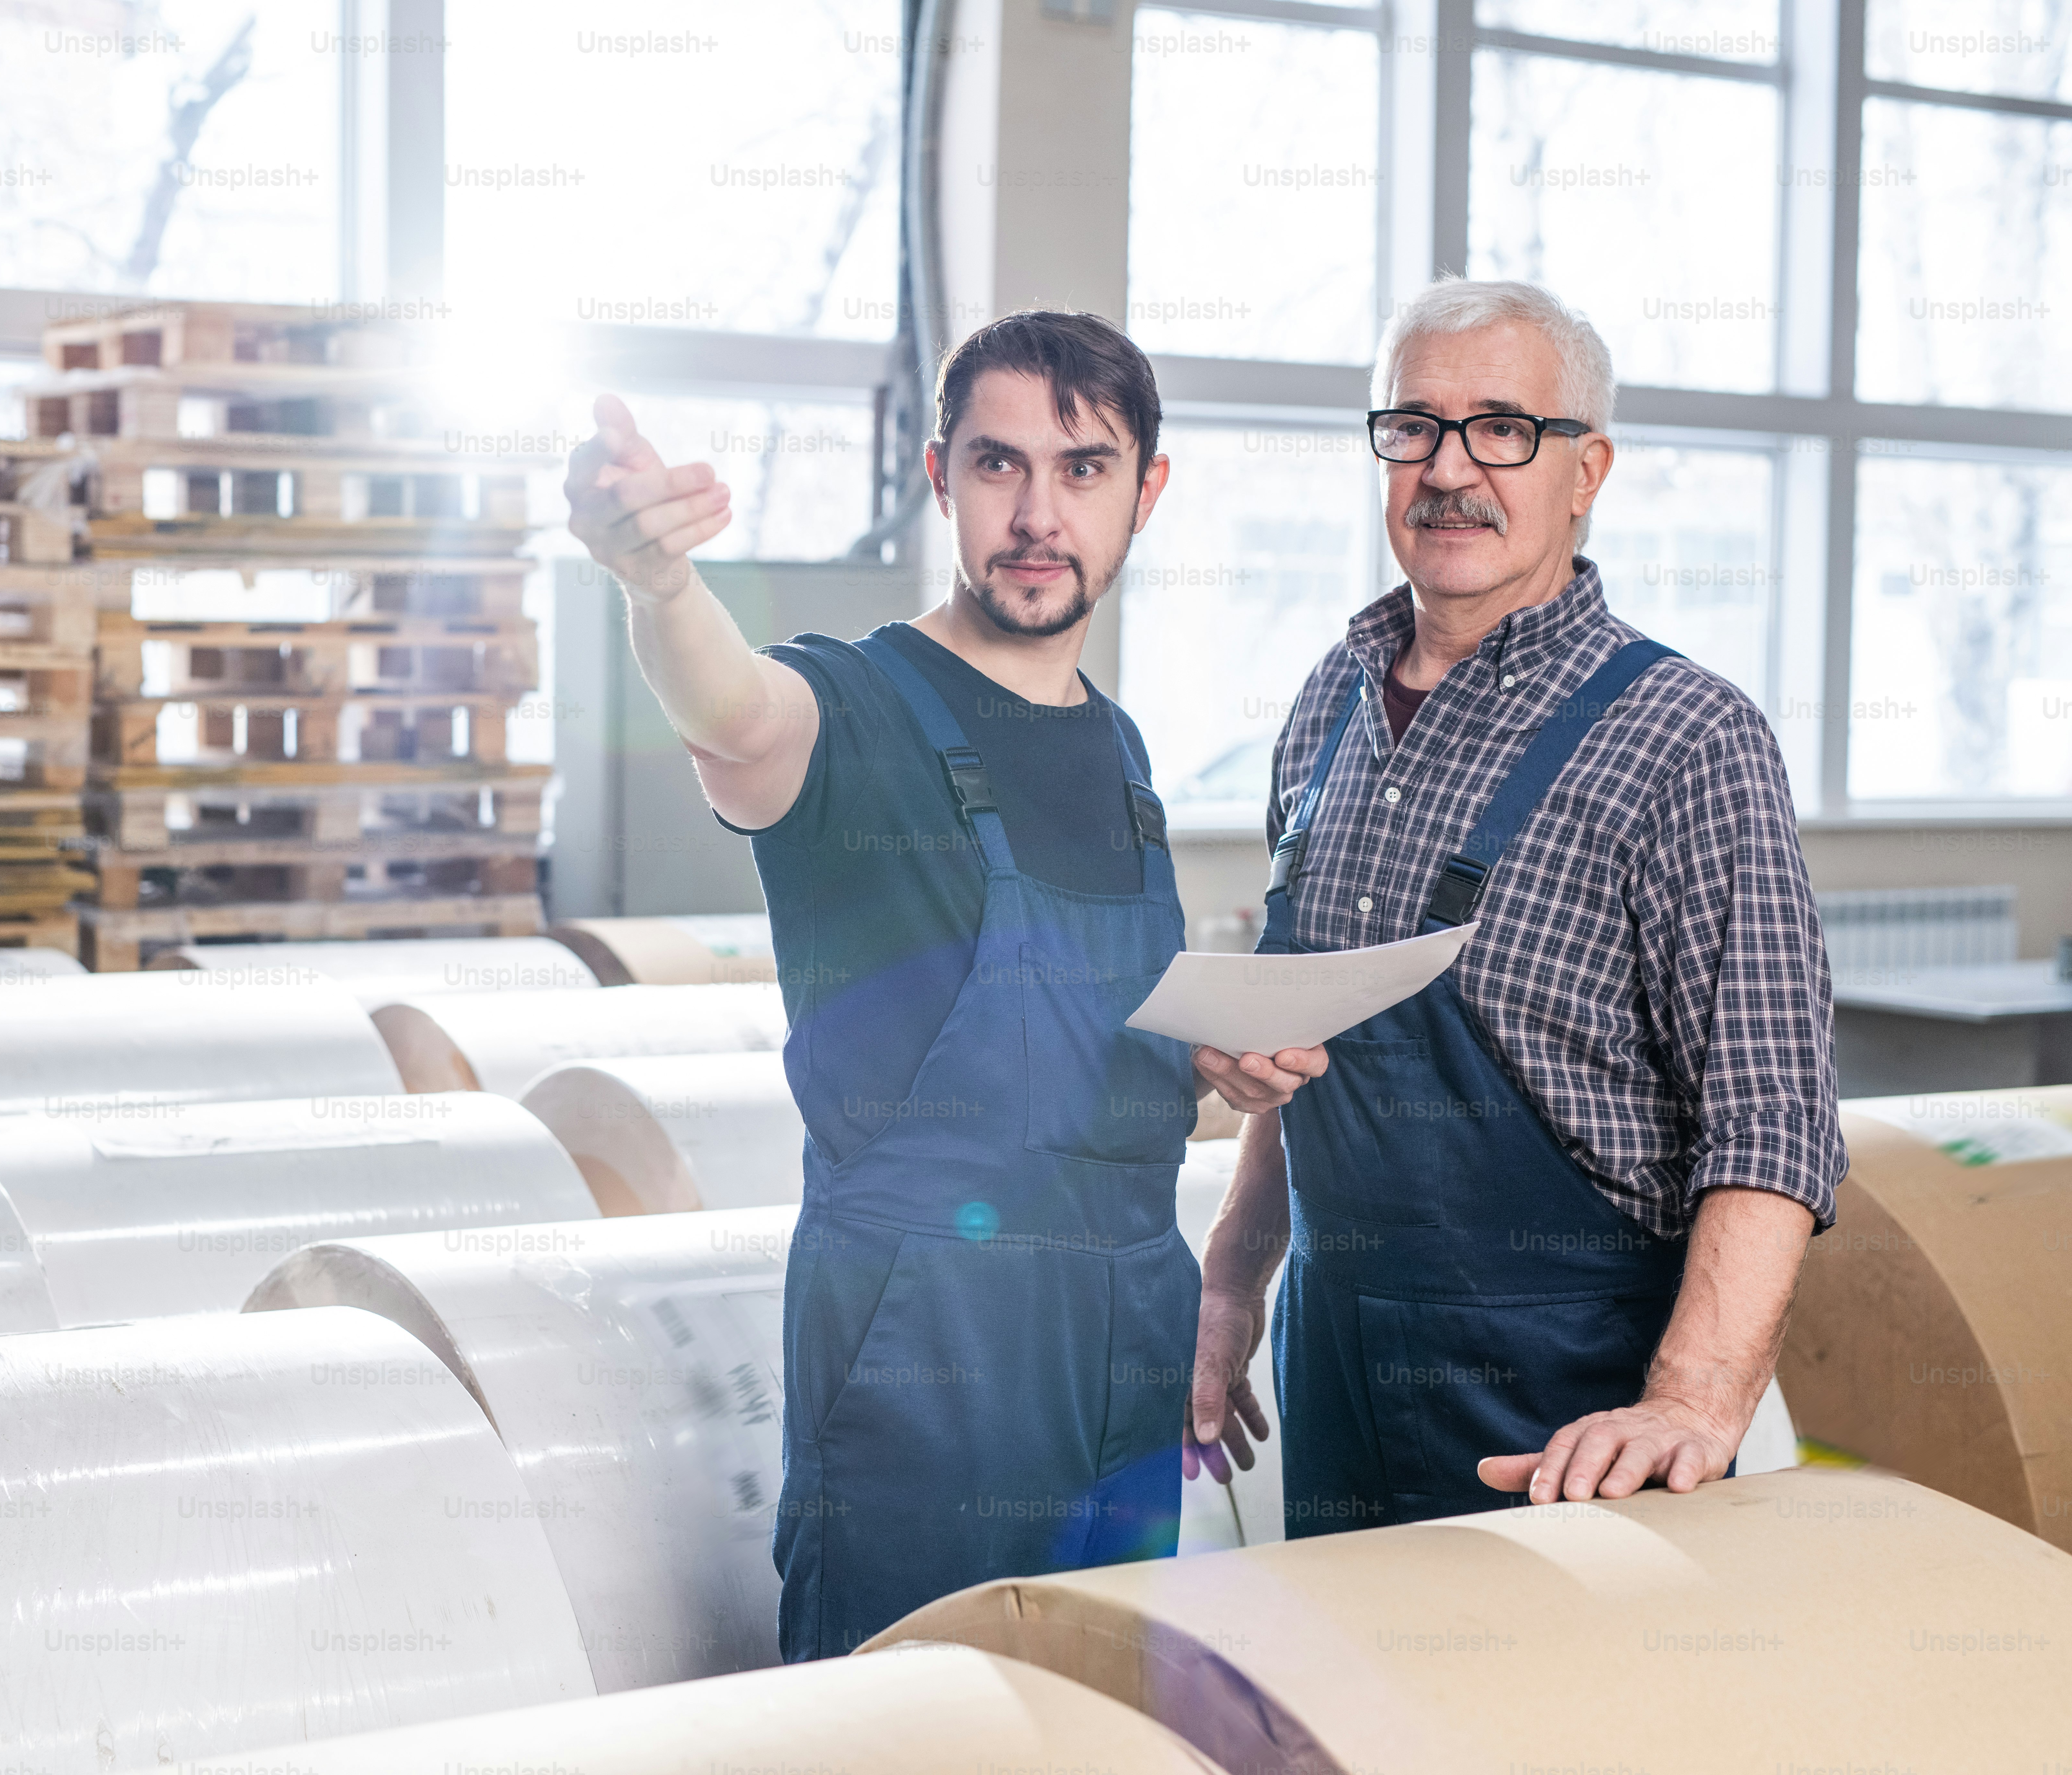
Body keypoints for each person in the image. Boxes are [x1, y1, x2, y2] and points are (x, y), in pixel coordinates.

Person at [564, 311, 1321, 1659]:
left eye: (1084, 469)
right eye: (998, 465)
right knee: (900, 1726)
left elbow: (1101, 1041)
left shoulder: (1122, 750)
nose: (1038, 512)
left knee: (1092, 1723)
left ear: (1147, 493)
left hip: (1129, 1349)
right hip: (928, 1348)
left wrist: (1215, 1059)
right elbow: (732, 715)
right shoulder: (850, 709)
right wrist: (659, 588)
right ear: (939, 477)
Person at [1182, 278, 1847, 1530]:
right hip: (1338, 1358)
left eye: (1502, 427)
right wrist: (1231, 1280)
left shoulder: (1688, 738)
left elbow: (1772, 1117)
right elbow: (1298, 1030)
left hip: (1571, 1408)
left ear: (1586, 468)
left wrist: (1692, 1406)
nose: (1449, 468)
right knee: (1353, 1718)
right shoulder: (1329, 703)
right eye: (1414, 426)